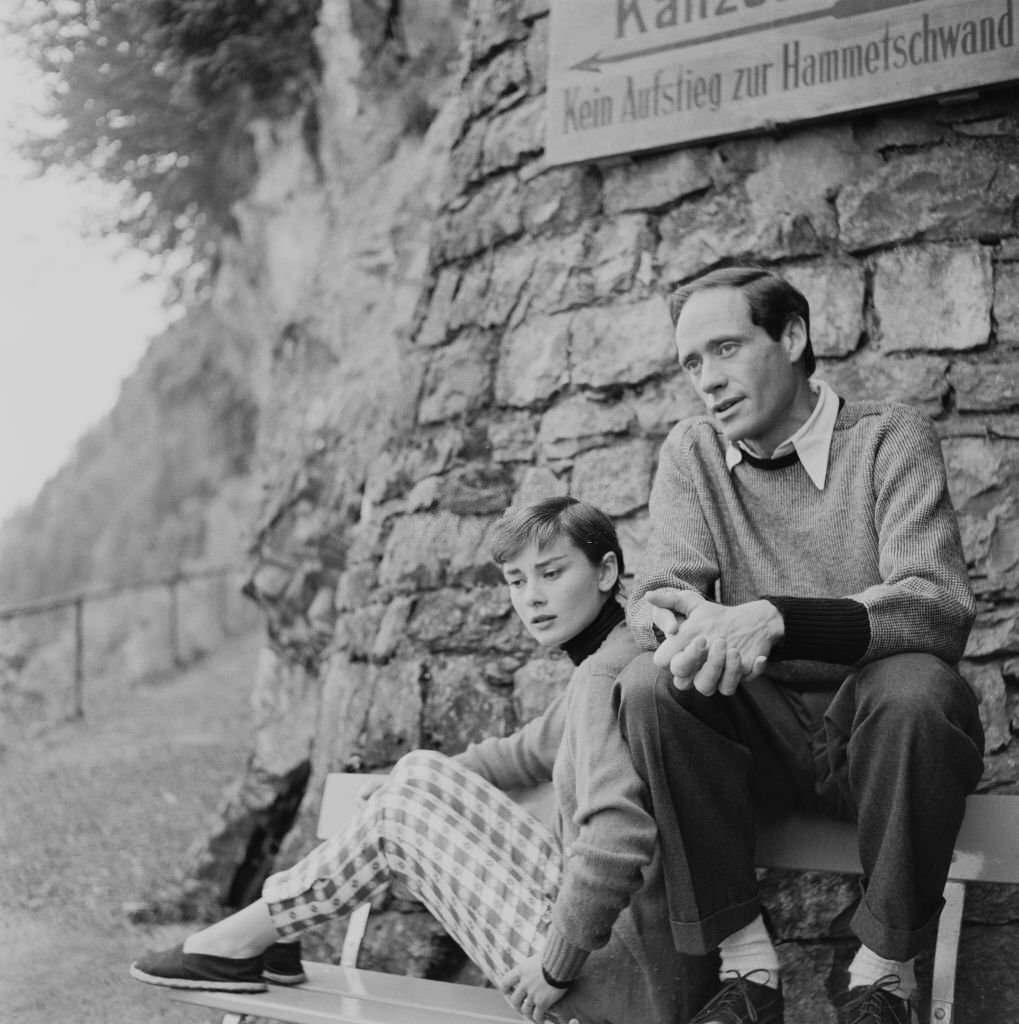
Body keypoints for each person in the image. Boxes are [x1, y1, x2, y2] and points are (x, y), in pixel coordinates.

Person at [131, 496, 716, 1024]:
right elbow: (529, 751)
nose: (531, 597)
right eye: (515, 581)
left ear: (607, 570)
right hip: (633, 961)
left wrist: (554, 968)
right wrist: (407, 784)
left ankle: (246, 938)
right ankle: (271, 929)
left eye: (552, 572)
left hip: (610, 988)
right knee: (417, 774)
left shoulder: (605, 676)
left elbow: (617, 838)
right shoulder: (613, 658)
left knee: (399, 820)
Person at [615, 266, 985, 1024]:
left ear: (791, 336)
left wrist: (775, 617)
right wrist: (679, 621)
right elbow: (659, 593)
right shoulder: (690, 454)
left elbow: (936, 603)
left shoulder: (888, 438)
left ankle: (880, 978)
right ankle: (747, 970)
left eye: (724, 348)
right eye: (691, 363)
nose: (707, 381)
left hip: (872, 737)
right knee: (652, 684)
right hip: (753, 746)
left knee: (918, 686)